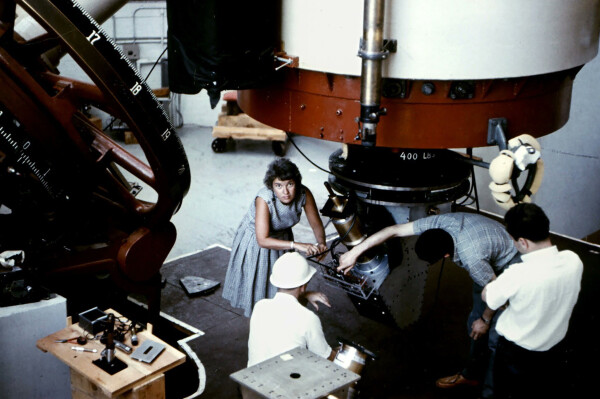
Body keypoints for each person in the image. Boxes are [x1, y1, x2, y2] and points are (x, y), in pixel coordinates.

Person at [338, 211, 521, 398]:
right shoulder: (439, 222)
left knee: (496, 336)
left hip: (511, 260)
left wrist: (485, 319)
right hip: (490, 246)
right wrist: (354, 252)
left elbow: (496, 294)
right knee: (474, 322)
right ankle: (471, 374)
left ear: (447, 256)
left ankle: (492, 391)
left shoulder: (472, 259)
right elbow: (393, 230)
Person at [482, 203, 583, 399]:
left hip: (516, 354)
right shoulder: (573, 260)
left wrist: (491, 288)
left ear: (522, 242)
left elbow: (490, 298)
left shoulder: (518, 274)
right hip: (554, 348)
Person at [222, 158, 328, 317]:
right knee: (259, 287)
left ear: (296, 183)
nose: (285, 192)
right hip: (257, 242)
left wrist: (322, 244)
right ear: (272, 186)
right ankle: (262, 322)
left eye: (290, 184)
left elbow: (316, 224)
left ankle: (283, 315)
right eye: (279, 186)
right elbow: (262, 240)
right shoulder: (264, 198)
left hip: (283, 237)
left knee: (284, 282)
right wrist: (297, 245)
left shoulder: (303, 193)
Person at [247, 251, 334, 367]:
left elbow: (288, 313)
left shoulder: (260, 307)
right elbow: (326, 357)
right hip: (288, 382)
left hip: (252, 379)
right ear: (303, 286)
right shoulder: (308, 318)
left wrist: (304, 295)